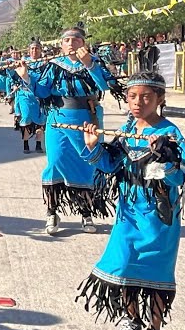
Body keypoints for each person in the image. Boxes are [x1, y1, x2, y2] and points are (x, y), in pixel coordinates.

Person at [76, 71, 185, 330]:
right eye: (132, 96)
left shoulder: (171, 133)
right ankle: (132, 319)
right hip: (128, 213)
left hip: (159, 216)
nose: (138, 102)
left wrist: (168, 159)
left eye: (146, 97)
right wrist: (92, 146)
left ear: (160, 99)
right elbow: (110, 165)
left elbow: (182, 177)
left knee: (154, 271)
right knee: (125, 264)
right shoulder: (126, 129)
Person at [18, 26, 123, 236]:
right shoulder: (54, 65)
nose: (71, 44)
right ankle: (52, 211)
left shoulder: (94, 63)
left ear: (83, 43)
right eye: (67, 40)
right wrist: (27, 78)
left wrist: (90, 65)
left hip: (88, 120)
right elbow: (43, 91)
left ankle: (86, 211)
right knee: (55, 161)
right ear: (61, 44)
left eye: (76, 40)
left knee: (88, 163)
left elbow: (104, 86)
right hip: (57, 119)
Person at [11, 41, 45, 154]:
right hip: (25, 95)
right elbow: (14, 78)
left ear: (40, 50)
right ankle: (26, 143)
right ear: (28, 50)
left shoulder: (45, 64)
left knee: (41, 120)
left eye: (37, 48)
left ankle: (38, 144)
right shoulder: (23, 63)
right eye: (32, 49)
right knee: (26, 118)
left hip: (40, 94)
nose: (34, 51)